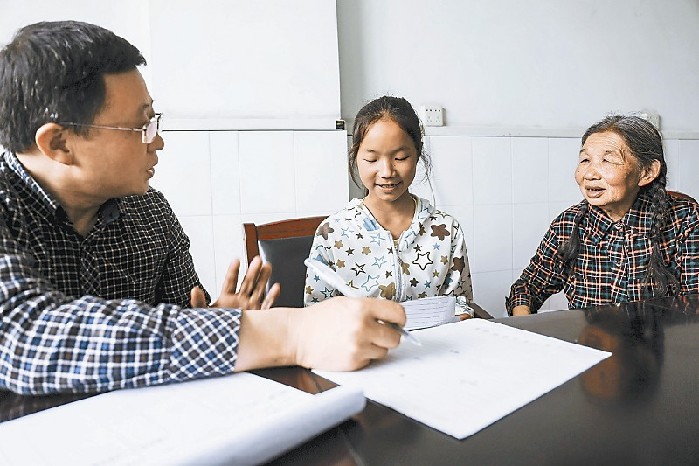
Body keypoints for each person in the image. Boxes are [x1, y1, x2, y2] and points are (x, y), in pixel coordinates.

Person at [0, 21, 406, 395]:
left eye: (155, 120)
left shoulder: (150, 213)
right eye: (142, 126)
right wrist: (288, 333)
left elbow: (183, 321)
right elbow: (22, 335)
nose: (158, 141)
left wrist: (216, 318)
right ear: (59, 143)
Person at [507, 115, 699, 316]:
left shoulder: (685, 220)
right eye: (585, 160)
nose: (589, 174)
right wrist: (522, 324)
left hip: (658, 336)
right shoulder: (570, 224)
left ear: (647, 172)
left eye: (607, 160)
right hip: (587, 337)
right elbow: (526, 288)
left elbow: (695, 307)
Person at [303, 96, 474, 316]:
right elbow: (316, 313)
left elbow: (460, 304)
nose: (387, 172)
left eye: (400, 158)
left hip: (436, 338)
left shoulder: (447, 230)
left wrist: (458, 316)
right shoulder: (333, 233)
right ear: (356, 156)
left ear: (418, 154)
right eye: (372, 160)